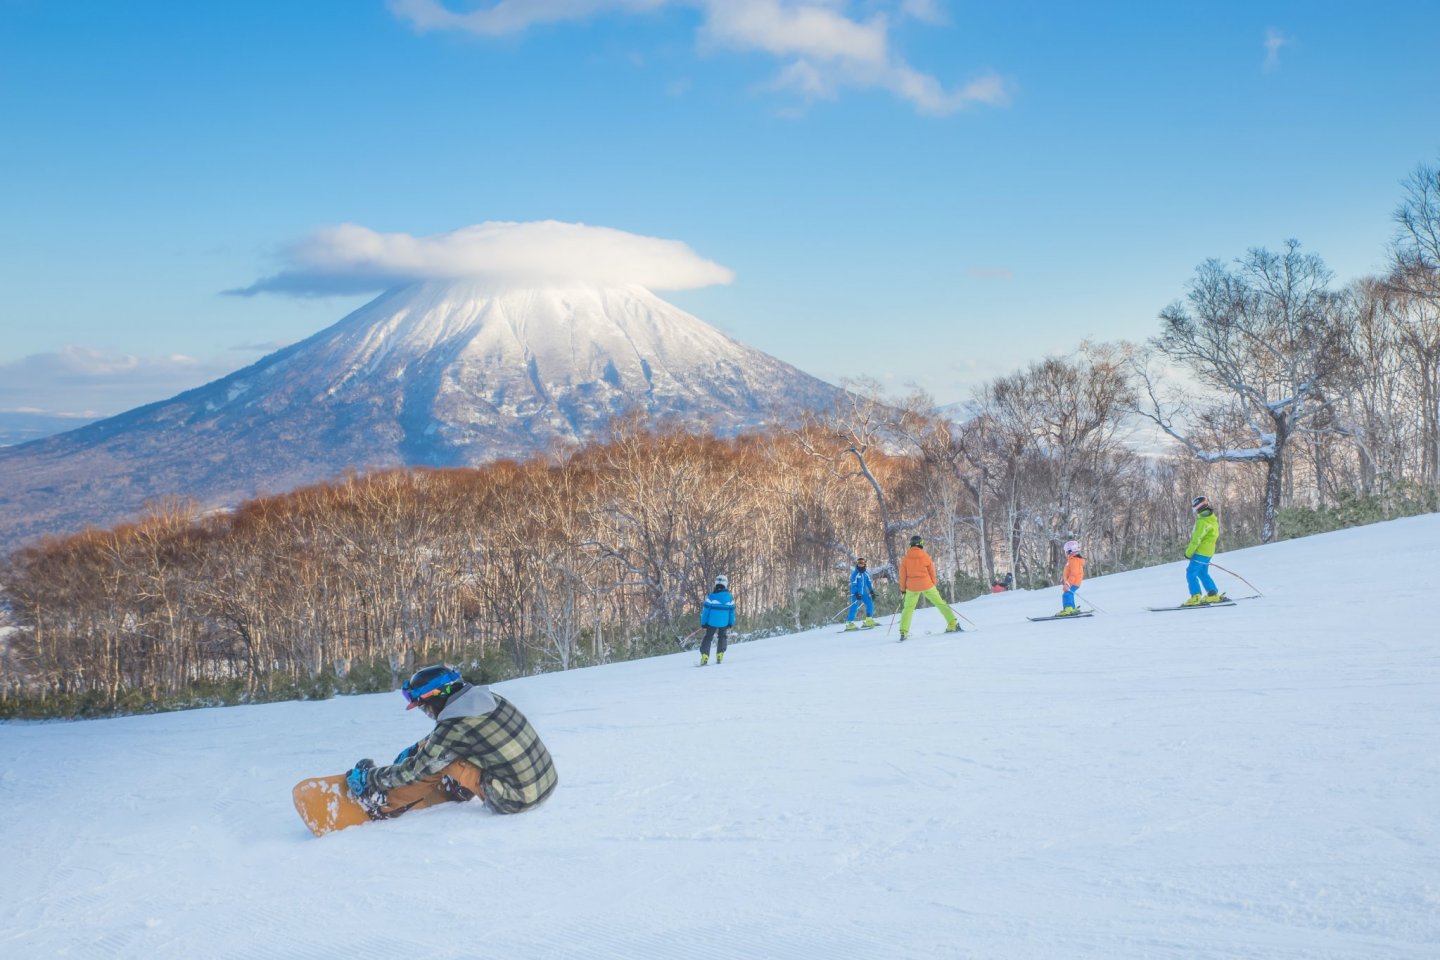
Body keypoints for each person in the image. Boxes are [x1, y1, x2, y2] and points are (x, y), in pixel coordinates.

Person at [344, 665, 558, 819]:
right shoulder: (487, 700)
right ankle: (459, 787)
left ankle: (384, 803)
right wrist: (420, 747)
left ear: (433, 698)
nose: (424, 711)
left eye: (421, 705)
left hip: (515, 799)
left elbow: (416, 770)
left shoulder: (453, 726)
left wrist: (370, 778)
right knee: (444, 752)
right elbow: (457, 737)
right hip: (544, 783)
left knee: (442, 761)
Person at [897, 535, 959, 640]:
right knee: (940, 603)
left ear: (911, 544)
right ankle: (952, 623)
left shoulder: (906, 559)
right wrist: (933, 584)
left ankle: (903, 632)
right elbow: (932, 572)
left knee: (908, 609)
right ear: (921, 544)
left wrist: (903, 590)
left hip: (912, 587)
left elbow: (902, 576)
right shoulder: (925, 556)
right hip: (927, 584)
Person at [1183, 495, 1226, 605]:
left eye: (1195, 508)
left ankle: (1196, 596)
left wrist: (1188, 553)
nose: (1195, 511)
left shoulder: (1202, 522)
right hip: (1209, 552)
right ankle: (1212, 594)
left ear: (1199, 507)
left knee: (1191, 572)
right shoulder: (1212, 519)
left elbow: (1196, 540)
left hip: (1200, 552)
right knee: (1202, 572)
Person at [699, 574, 736, 665]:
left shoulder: (711, 596)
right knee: (722, 636)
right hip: (724, 622)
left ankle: (705, 655)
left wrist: (703, 623)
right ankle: (720, 654)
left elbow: (705, 612)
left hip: (712, 622)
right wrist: (731, 623)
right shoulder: (729, 597)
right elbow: (732, 612)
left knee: (708, 637)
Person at [845, 557, 879, 630]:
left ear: (864, 563)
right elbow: (853, 584)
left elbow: (869, 583)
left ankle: (868, 620)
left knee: (869, 603)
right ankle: (849, 623)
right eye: (859, 562)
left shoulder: (866, 573)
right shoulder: (855, 574)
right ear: (857, 563)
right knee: (854, 606)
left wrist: (872, 591)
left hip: (863, 593)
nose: (861, 564)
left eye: (862, 562)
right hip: (855, 593)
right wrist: (856, 593)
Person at [1054, 540, 1085, 616]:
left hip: (1073, 582)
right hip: (1073, 581)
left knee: (1066, 594)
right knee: (1069, 594)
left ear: (1070, 551)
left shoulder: (1074, 560)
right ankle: (1072, 608)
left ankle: (1068, 609)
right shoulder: (1072, 560)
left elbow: (1074, 574)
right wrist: (1065, 580)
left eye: (1066, 551)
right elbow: (1069, 572)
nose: (1066, 553)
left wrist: (1068, 583)